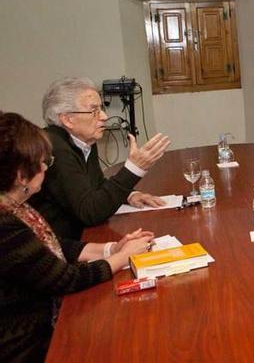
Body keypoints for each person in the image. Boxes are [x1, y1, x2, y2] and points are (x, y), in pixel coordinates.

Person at [0, 112, 154, 363]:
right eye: (43, 163)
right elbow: (64, 278)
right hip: (27, 344)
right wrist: (124, 258)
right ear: (21, 176)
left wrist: (111, 248)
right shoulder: (5, 225)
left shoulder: (16, 206)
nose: (45, 169)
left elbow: (50, 248)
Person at [30, 77, 171, 240]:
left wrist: (130, 195)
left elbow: (95, 185)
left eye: (101, 108)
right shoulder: (54, 148)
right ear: (68, 119)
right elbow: (90, 212)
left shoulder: (82, 139)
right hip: (63, 247)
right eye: (94, 111)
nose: (104, 116)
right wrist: (134, 169)